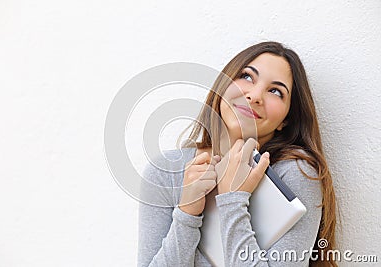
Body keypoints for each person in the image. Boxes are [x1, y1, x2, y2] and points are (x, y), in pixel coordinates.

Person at [137, 41, 337, 266]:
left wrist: (233, 202)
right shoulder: (166, 171)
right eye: (247, 77)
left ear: (286, 119)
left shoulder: (295, 174)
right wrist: (187, 214)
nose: (254, 95)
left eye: (275, 91)